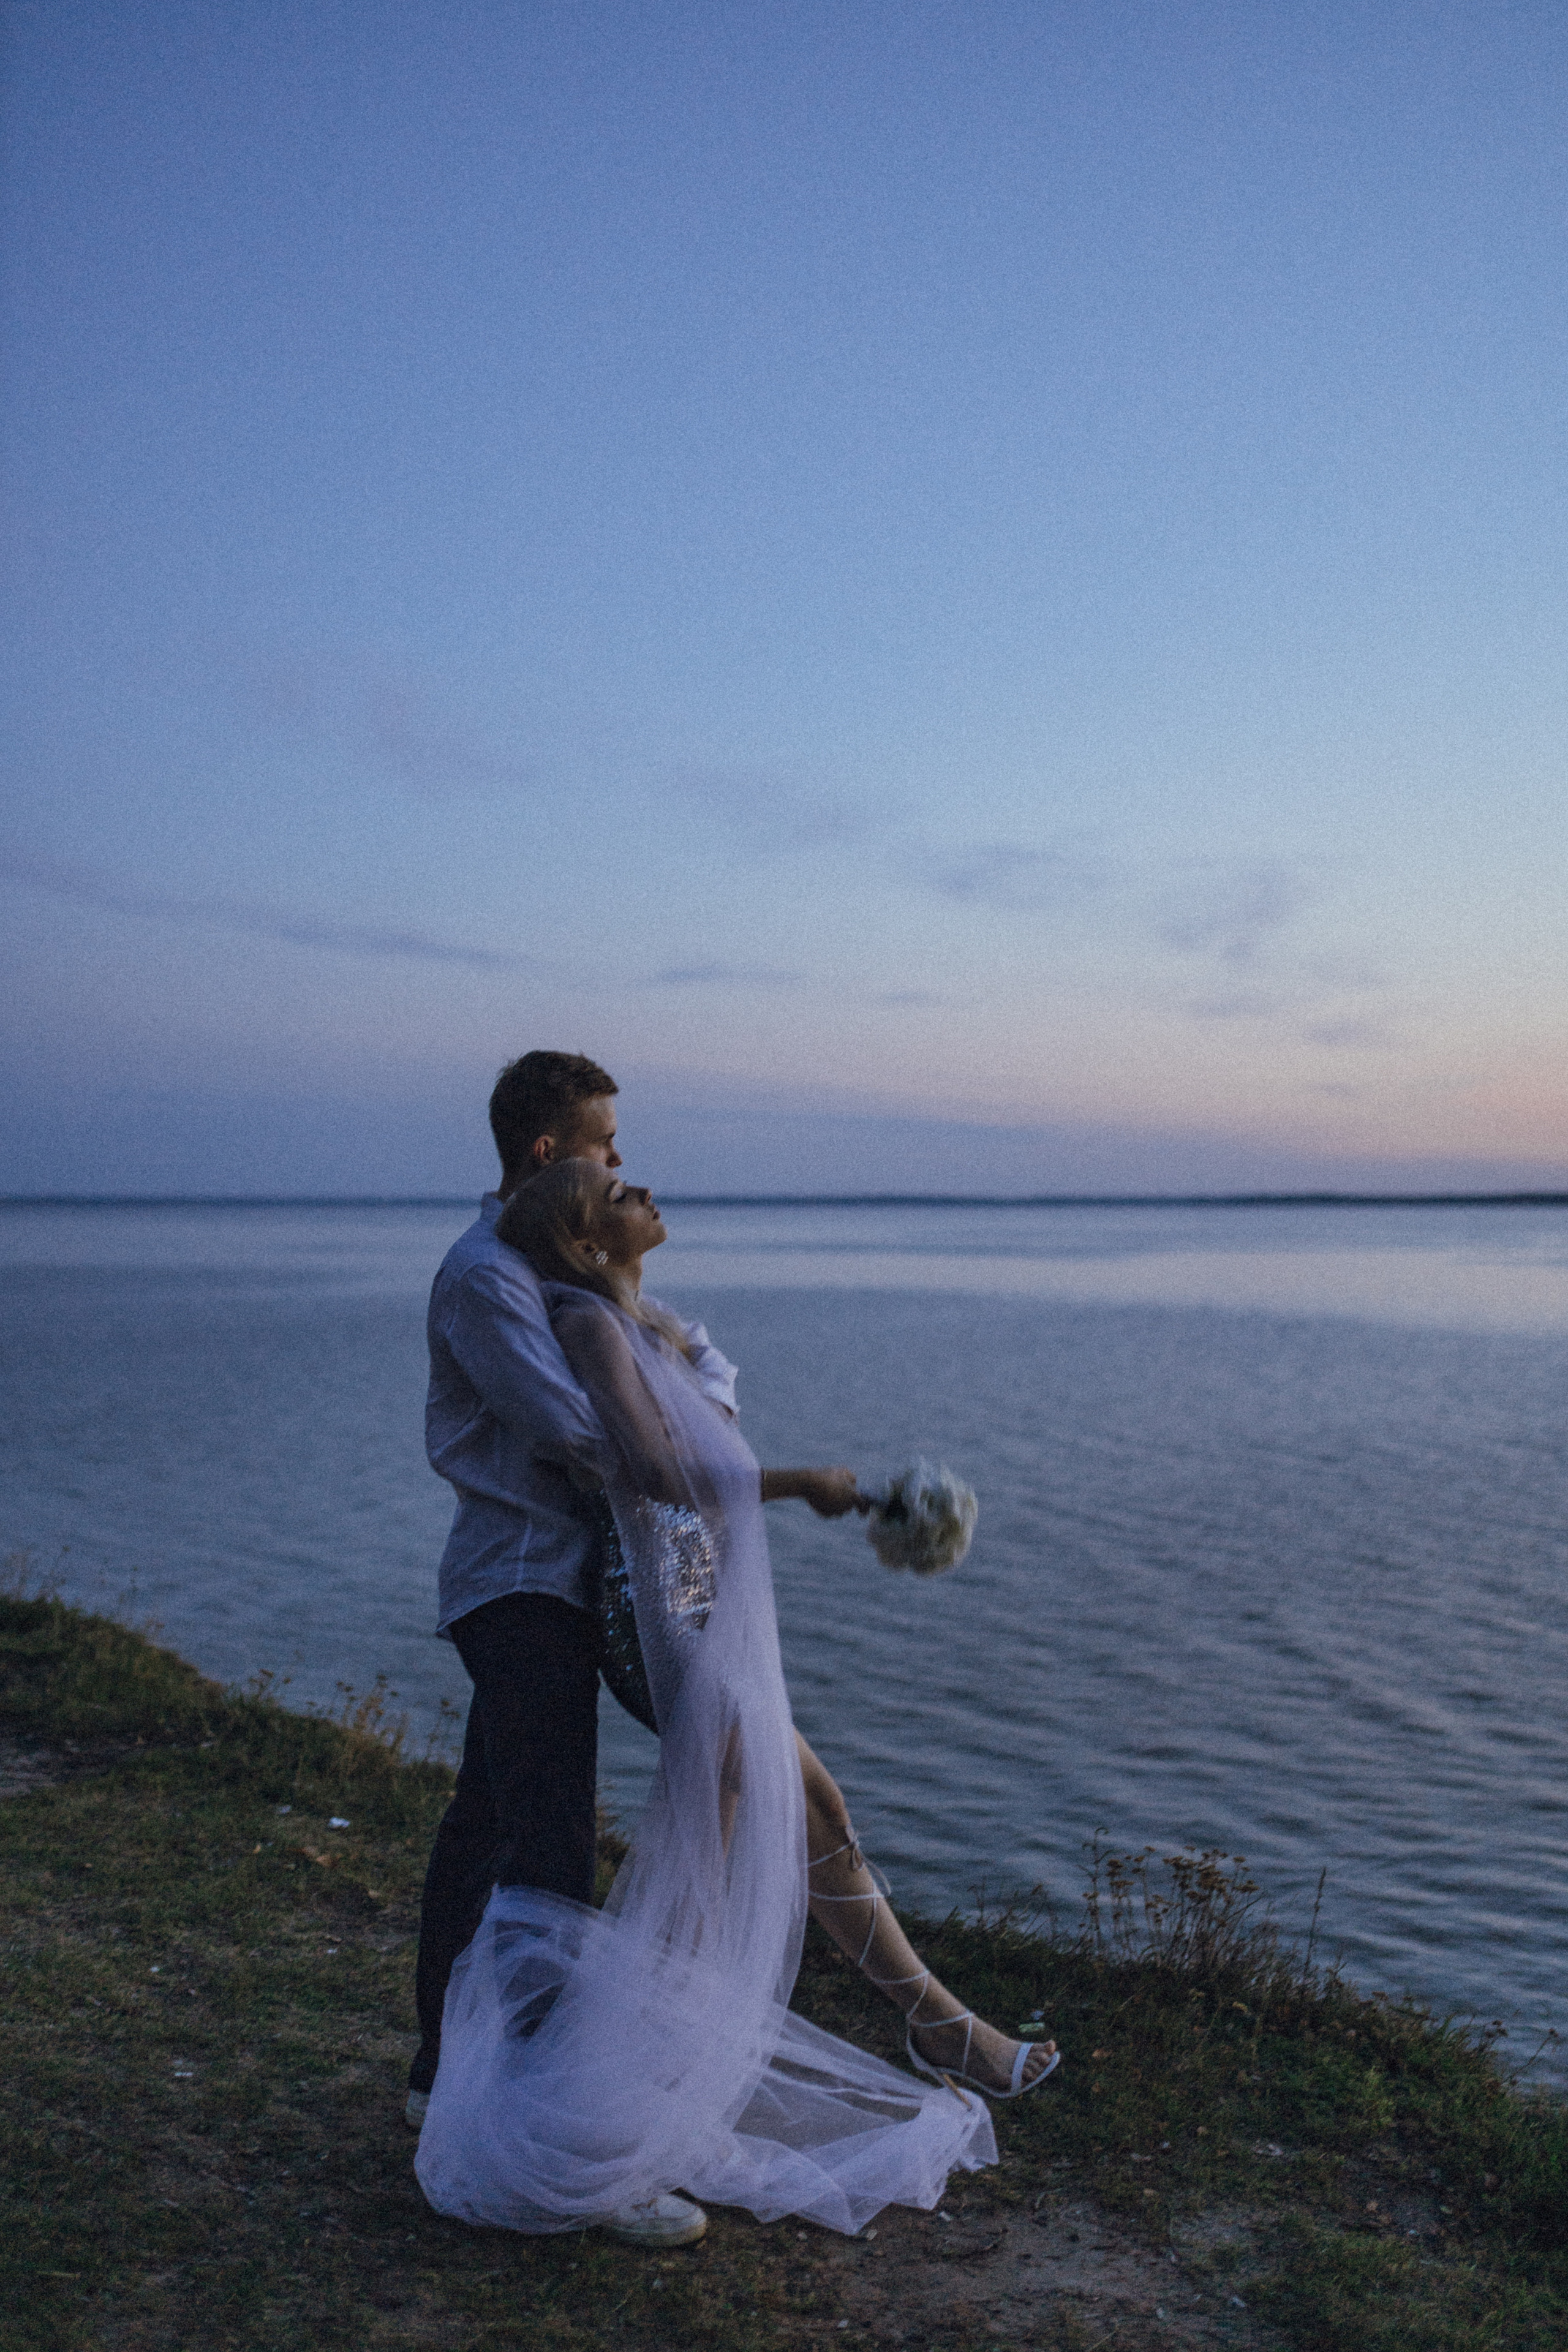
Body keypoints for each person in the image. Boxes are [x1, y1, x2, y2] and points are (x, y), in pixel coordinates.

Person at [412, 1156, 1057, 2243]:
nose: (642, 1187)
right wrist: (803, 1484)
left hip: (699, 1604)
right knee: (717, 1870)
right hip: (663, 1622)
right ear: (583, 1244)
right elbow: (653, 1474)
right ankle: (622, 2108)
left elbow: (692, 1431)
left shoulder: (647, 1325)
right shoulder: (586, 1329)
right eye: (616, 1194)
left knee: (810, 1812)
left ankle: (941, 2029)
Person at [409, 1051, 873, 2248]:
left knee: (482, 1824)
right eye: (607, 1145)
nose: (625, 1162)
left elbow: (705, 1374)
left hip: (566, 1588)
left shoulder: (573, 1275)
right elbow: (594, 1444)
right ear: (551, 1152)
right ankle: (565, 2140)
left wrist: (651, 1357)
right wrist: (770, 1473)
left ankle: (445, 2072)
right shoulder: (489, 1282)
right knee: (549, 1840)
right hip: (524, 1588)